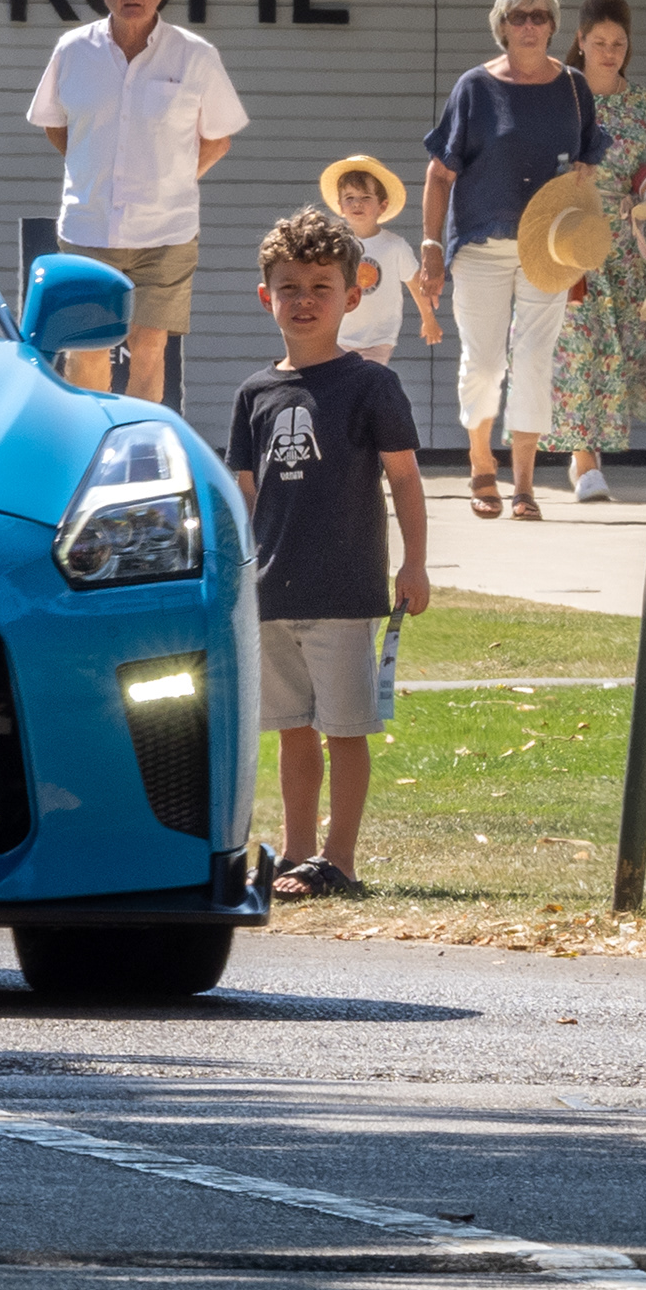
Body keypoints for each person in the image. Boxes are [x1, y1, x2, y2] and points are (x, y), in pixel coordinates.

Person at [230, 207, 432, 902]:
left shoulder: (371, 385)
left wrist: (413, 563)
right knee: (291, 731)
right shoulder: (255, 393)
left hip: (345, 591)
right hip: (271, 593)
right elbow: (246, 495)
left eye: (322, 286)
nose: (305, 299)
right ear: (267, 297)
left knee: (344, 730)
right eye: (289, 287)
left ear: (353, 295)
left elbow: (404, 478)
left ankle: (339, 861)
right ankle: (295, 852)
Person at [414, 0, 607, 520]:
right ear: (501, 26)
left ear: (552, 26)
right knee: (484, 361)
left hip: (549, 248)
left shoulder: (572, 86)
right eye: (518, 16)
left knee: (535, 361)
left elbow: (589, 158)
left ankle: (523, 483)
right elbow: (439, 172)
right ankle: (481, 464)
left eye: (540, 16)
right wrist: (431, 245)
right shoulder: (475, 88)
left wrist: (581, 199)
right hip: (483, 242)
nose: (529, 25)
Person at [27, 0, 249, 401]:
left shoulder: (196, 55)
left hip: (166, 231)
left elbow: (218, 138)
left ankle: (137, 458)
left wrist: (170, 178)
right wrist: (95, 168)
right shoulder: (72, 50)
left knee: (150, 346)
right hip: (89, 224)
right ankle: (90, 448)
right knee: (87, 347)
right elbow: (54, 123)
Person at [542, 0, 646, 501]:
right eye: (599, 42)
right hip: (568, 237)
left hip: (627, 244)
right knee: (579, 347)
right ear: (580, 42)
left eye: (619, 44)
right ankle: (583, 463)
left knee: (616, 355)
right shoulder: (555, 95)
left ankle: (592, 455)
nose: (609, 52)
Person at [316, 154, 438, 360]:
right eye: (350, 198)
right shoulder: (334, 246)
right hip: (339, 335)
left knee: (368, 385)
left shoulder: (394, 246)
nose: (357, 204)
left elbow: (415, 284)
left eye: (365, 198)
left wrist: (429, 318)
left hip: (379, 338)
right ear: (340, 206)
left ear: (382, 206)